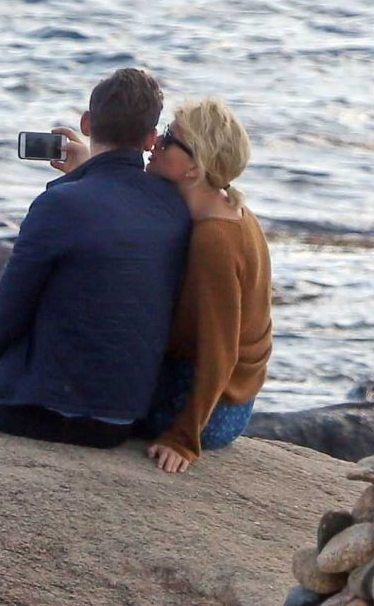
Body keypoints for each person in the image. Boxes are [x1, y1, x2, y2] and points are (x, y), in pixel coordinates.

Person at [0, 68, 191, 449]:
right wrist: (84, 174)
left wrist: (77, 181)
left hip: (57, 413)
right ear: (150, 139)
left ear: (86, 123)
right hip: (127, 414)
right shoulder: (174, 206)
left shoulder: (59, 204)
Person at [140, 98, 272, 473]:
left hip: (215, 410)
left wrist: (183, 438)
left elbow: (220, 350)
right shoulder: (225, 207)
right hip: (223, 394)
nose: (155, 142)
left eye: (168, 139)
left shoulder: (215, 239)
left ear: (194, 168)